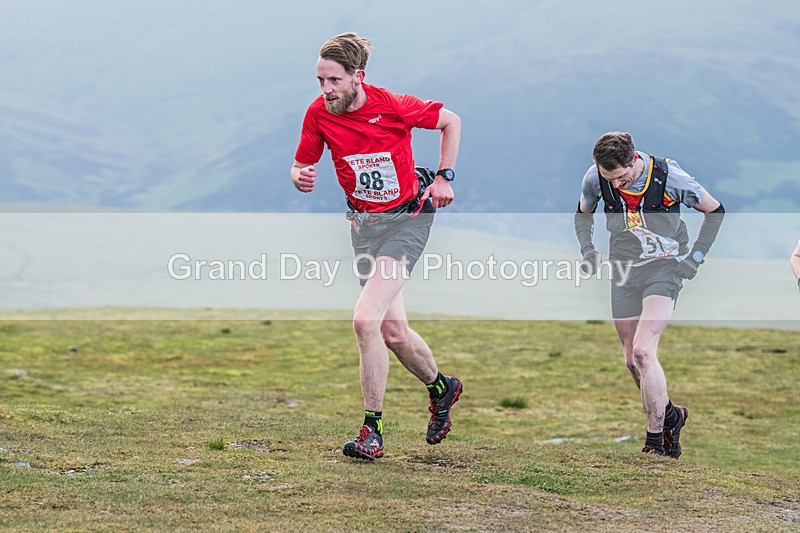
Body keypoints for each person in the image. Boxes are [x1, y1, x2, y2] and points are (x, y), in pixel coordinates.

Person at [291, 32, 463, 460]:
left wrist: (444, 177)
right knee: (393, 332)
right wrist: (300, 177)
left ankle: (373, 431)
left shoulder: (391, 105)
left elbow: (451, 121)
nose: (325, 90)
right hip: (364, 227)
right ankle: (443, 388)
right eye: (320, 81)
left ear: (357, 77)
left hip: (408, 220)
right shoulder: (319, 113)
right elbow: (301, 165)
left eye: (333, 81)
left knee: (365, 321)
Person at [574, 132, 725, 458]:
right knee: (631, 360)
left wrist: (696, 257)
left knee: (644, 352)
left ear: (634, 161)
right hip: (624, 269)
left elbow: (715, 211)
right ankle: (671, 416)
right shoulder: (595, 176)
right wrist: (587, 250)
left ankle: (655, 442)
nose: (614, 185)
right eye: (607, 178)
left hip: (665, 267)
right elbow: (582, 215)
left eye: (621, 177)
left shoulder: (670, 177)